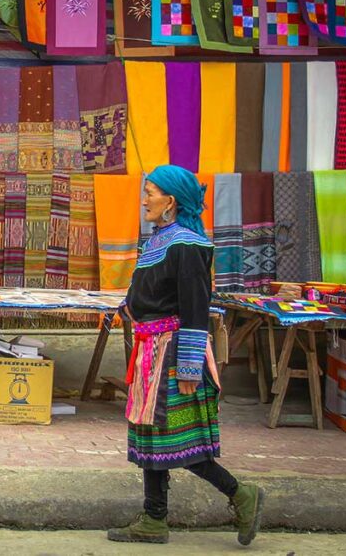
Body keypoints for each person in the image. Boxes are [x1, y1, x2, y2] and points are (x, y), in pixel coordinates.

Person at [107, 165, 263, 546]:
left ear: (170, 201)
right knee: (150, 436)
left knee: (179, 440)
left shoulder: (189, 245)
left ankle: (241, 494)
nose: (145, 200)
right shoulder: (158, 240)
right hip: (150, 351)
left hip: (174, 353)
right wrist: (126, 307)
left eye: (151, 192)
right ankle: (154, 519)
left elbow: (196, 308)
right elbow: (147, 291)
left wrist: (190, 367)